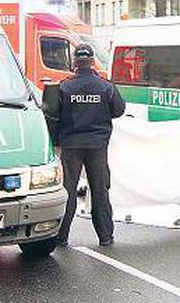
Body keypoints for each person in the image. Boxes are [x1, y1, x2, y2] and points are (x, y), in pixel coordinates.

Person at [54, 44, 126, 247]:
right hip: (97, 146)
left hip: (71, 145)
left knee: (68, 191)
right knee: (100, 191)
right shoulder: (105, 86)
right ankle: (105, 236)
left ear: (75, 63)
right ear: (92, 62)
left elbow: (53, 114)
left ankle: (61, 236)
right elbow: (119, 110)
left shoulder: (64, 86)